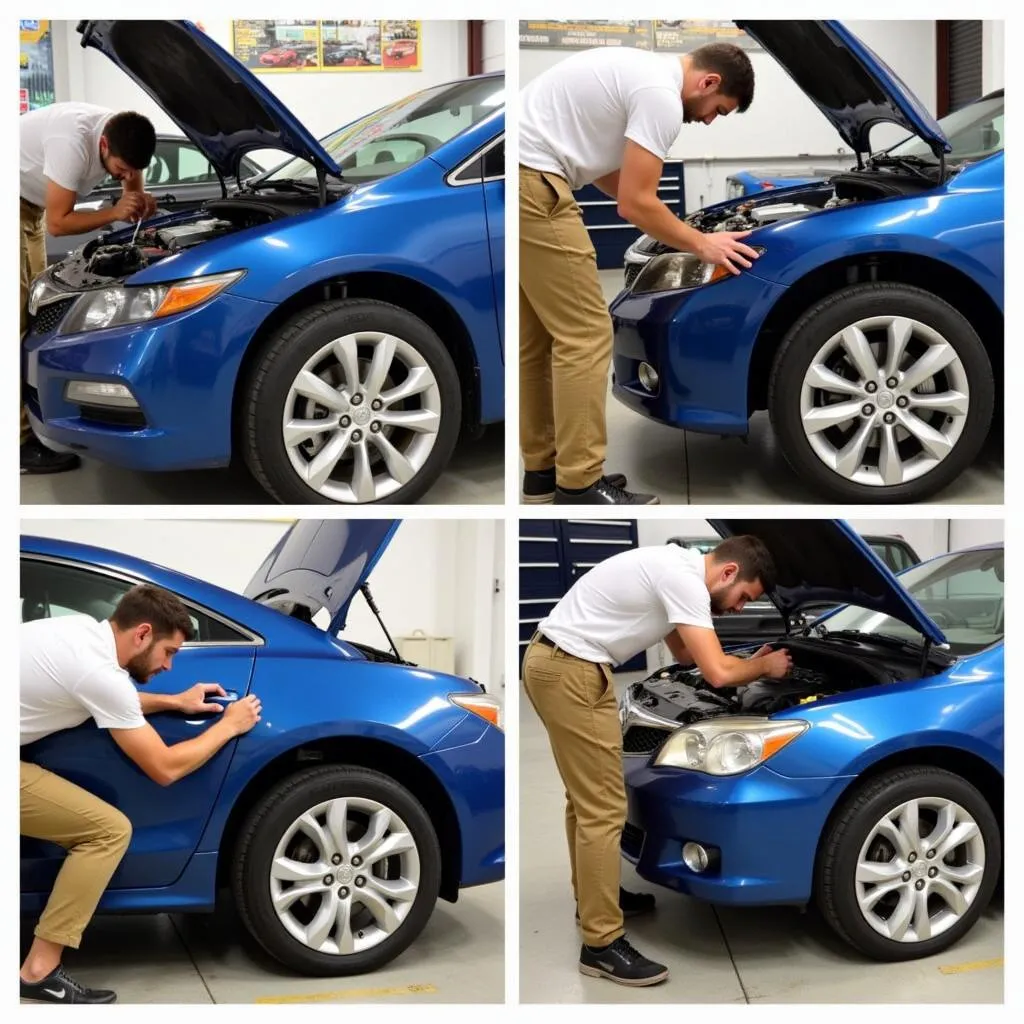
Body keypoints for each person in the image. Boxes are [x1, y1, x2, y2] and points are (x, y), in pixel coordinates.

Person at [522, 535, 792, 986]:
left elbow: (686, 652)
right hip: (571, 671)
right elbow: (717, 674)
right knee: (604, 808)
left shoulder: (674, 566)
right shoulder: (683, 578)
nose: (741, 608)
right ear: (727, 573)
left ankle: (593, 899)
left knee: (583, 800)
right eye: (745, 597)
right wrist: (764, 669)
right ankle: (601, 944)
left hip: (556, 662)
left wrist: (748, 658)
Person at [520, 44, 759, 505]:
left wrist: (674, 229)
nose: (710, 120)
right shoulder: (661, 97)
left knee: (541, 341)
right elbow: (634, 203)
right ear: (708, 83)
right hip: (537, 185)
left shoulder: (639, 70)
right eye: (718, 110)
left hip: (515, 178)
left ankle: (543, 475)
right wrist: (701, 242)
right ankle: (581, 485)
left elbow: (618, 183)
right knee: (585, 336)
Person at [20, 584, 262, 1003]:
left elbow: (108, 699)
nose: (169, 665)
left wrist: (174, 703)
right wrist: (229, 726)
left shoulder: (79, 633)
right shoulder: (99, 674)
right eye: (169, 652)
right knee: (108, 832)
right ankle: (38, 971)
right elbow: (165, 768)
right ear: (143, 634)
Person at [20, 103, 158, 475]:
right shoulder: (72, 142)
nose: (127, 176)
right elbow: (60, 225)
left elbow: (131, 192)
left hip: (29, 208)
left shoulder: (123, 136)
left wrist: (138, 205)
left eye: (136, 169)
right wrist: (114, 213)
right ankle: (18, 445)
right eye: (121, 168)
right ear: (104, 146)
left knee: (32, 310)